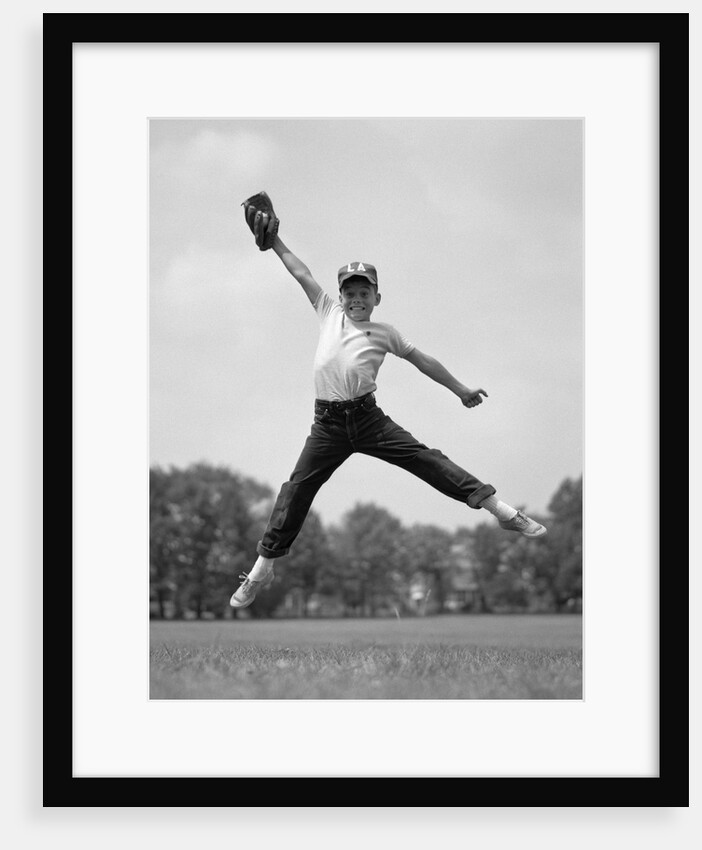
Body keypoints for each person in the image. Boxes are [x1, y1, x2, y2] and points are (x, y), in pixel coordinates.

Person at [230, 233, 546, 609]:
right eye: (349, 293)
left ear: (377, 298)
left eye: (364, 293)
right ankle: (262, 568)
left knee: (426, 459)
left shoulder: (386, 333)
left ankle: (502, 511)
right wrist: (276, 242)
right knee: (296, 489)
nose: (356, 299)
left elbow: (423, 361)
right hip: (327, 426)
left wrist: (460, 390)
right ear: (340, 296)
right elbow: (302, 272)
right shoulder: (328, 312)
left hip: (367, 420)